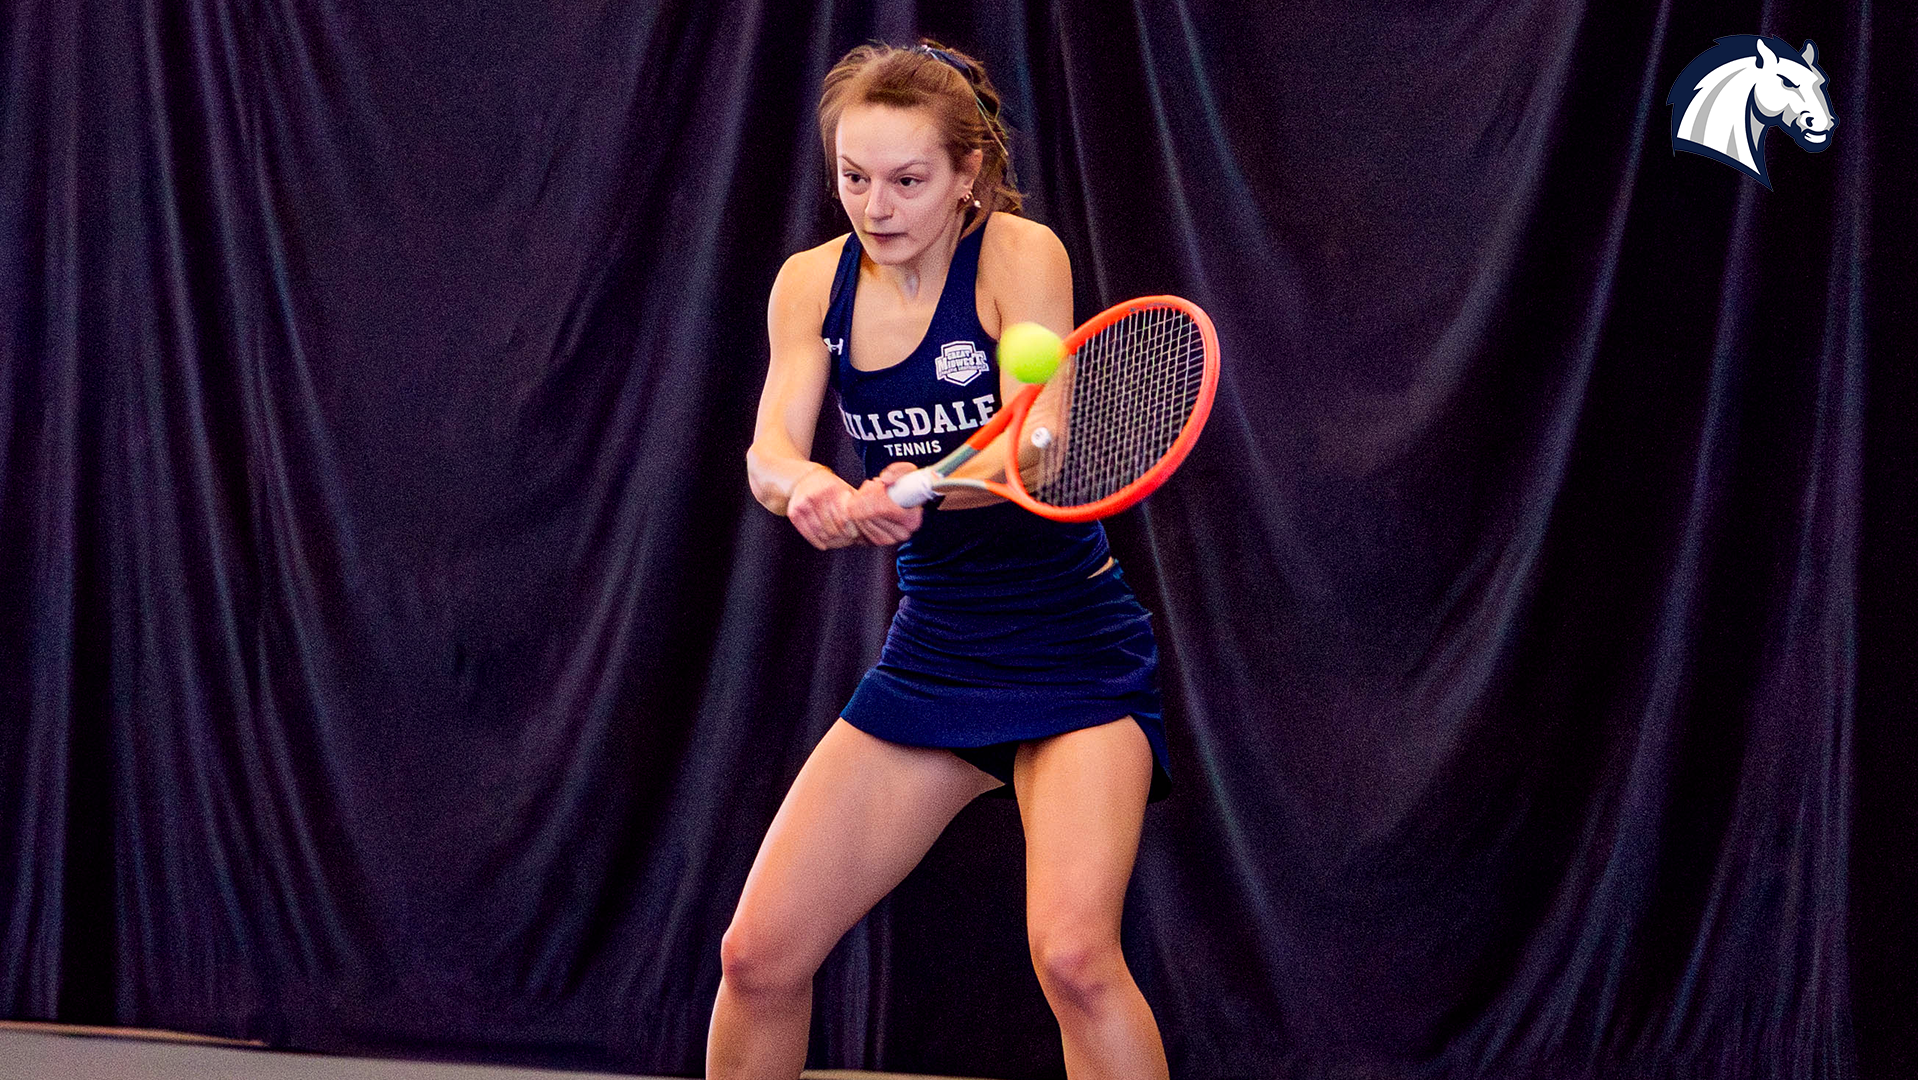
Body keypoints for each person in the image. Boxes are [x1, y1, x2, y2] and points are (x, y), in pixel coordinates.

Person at [708, 40, 1172, 1080]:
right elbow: (767, 451)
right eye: (853, 177)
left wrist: (918, 484)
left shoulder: (1020, 256)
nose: (876, 205)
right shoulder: (808, 287)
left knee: (1075, 959)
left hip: (1073, 655)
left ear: (968, 175)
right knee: (757, 958)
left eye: (908, 179)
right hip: (934, 655)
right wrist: (813, 490)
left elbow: (1038, 442)